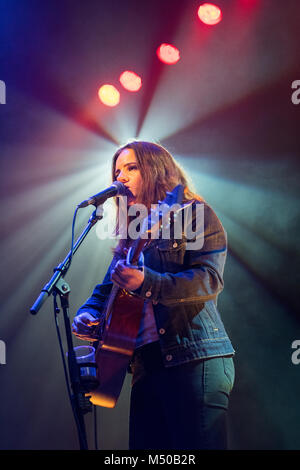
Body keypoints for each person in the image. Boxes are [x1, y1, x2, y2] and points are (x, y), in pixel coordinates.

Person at [72, 141, 235, 450]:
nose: (121, 177)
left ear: (156, 170)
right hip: (146, 367)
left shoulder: (193, 213)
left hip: (194, 359)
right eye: (117, 171)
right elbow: (104, 291)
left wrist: (148, 283)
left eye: (131, 168)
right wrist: (89, 313)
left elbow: (209, 280)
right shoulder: (132, 238)